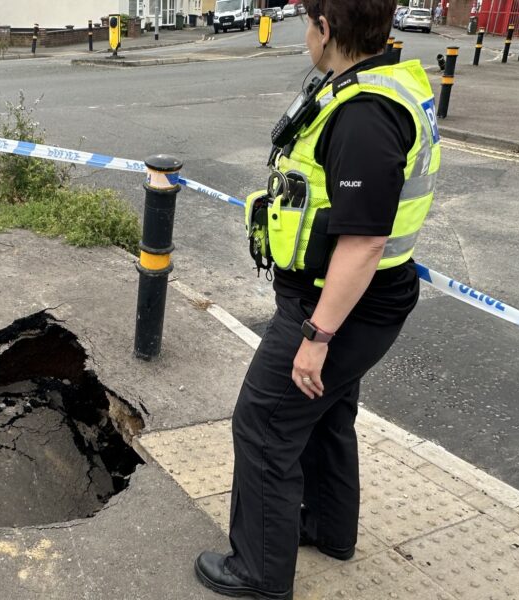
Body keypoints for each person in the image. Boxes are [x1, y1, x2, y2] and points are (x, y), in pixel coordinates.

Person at [194, 0, 441, 598]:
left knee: (263, 425)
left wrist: (317, 337)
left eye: (307, 23)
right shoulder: (378, 84)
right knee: (327, 413)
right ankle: (329, 528)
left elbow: (363, 241)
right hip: (357, 300)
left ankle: (258, 571)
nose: (303, 35)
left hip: (337, 307)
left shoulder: (366, 115)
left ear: (326, 28)